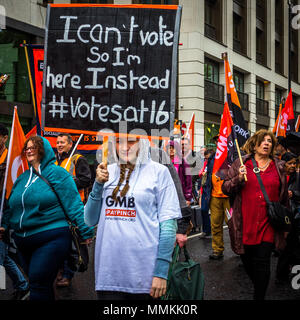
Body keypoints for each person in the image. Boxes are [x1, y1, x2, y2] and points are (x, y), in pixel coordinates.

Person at [84, 136, 181, 300]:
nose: (124, 147)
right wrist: (98, 184)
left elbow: (168, 226)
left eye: (131, 141)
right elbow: (89, 220)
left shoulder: (159, 172)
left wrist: (161, 272)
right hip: (108, 275)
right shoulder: (107, 171)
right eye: (119, 141)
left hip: (145, 278)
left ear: (143, 141)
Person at [1, 136, 94, 300]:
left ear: (43, 150)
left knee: (38, 282)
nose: (29, 150)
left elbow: (73, 204)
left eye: (34, 147)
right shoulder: (22, 178)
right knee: (41, 284)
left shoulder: (58, 174)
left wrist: (85, 231)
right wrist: (5, 225)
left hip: (52, 237)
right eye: (27, 148)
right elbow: (11, 206)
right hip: (22, 241)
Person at [222, 129, 288, 300]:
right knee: (248, 261)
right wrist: (238, 178)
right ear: (254, 144)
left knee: (263, 262)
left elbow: (283, 197)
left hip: (268, 223)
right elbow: (225, 188)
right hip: (245, 223)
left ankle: (259, 297)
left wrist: (286, 224)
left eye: (270, 141)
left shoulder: (278, 166)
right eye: (263, 140)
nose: (267, 143)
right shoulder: (241, 163)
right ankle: (259, 285)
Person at [55, 133, 91, 287]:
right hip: (60, 208)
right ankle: (63, 270)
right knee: (62, 243)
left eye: (62, 142)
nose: (59, 145)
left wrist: (67, 183)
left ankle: (69, 274)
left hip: (74, 207)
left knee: (72, 244)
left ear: (70, 144)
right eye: (57, 142)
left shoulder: (78, 159)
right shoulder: (57, 161)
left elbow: (86, 179)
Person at [0, 123, 29, 300]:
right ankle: (22, 284)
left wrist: (5, 223)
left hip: (4, 211)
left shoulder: (10, 159)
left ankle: (23, 285)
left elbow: (10, 192)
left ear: (4, 138)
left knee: (1, 255)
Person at [276, 152, 300, 282]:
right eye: (289, 163)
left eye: (294, 163)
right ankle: (282, 274)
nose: (292, 165)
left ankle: (283, 274)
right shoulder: (279, 177)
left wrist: (294, 194)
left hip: (295, 216)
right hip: (281, 216)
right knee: (286, 247)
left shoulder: (297, 177)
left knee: (291, 246)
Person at [166, 140, 193, 205]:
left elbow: (189, 182)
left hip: (180, 195)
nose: (171, 150)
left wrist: (188, 197)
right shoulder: (164, 163)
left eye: (173, 148)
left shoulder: (184, 163)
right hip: (167, 195)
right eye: (169, 148)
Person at [198, 148, 214, 239]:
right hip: (205, 189)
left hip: (213, 190)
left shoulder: (215, 163)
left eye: (208, 158)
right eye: (205, 158)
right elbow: (200, 173)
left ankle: (213, 232)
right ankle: (206, 230)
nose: (207, 160)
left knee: (216, 213)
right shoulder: (205, 163)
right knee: (203, 210)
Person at [181, 137, 204, 201]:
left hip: (191, 180)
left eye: (185, 144)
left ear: (189, 145)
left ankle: (194, 199)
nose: (183, 146)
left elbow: (199, 168)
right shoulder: (178, 155)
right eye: (182, 144)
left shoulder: (194, 155)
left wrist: (189, 176)